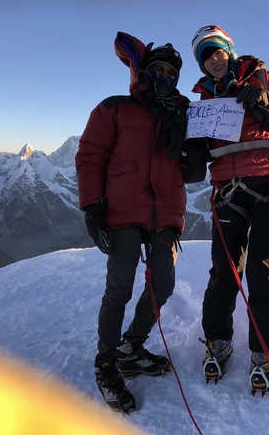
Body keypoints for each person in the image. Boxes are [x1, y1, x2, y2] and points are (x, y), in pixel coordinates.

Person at [186, 25, 269, 394]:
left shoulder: (266, 78)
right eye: (206, 55)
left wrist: (267, 101)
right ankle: (218, 342)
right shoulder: (203, 100)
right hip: (229, 189)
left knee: (260, 272)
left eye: (217, 51)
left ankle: (264, 353)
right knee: (224, 271)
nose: (213, 59)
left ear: (229, 50)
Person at [75, 32, 189, 413]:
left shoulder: (183, 115)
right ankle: (106, 363)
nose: (163, 78)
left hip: (166, 212)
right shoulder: (115, 108)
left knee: (164, 283)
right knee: (119, 287)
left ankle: (131, 347)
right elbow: (91, 155)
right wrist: (93, 207)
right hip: (124, 210)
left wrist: (193, 151)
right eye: (157, 71)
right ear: (143, 73)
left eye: (170, 74)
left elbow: (190, 170)